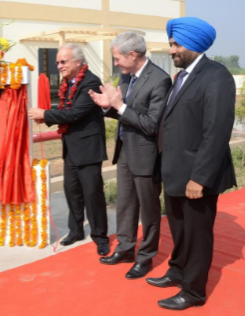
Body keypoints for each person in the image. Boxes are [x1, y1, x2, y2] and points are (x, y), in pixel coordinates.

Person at [145, 17, 236, 310]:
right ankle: (177, 271)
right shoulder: (181, 78)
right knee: (180, 231)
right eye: (171, 43)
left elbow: (217, 131)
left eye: (176, 44)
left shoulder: (217, 76)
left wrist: (200, 177)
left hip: (197, 177)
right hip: (174, 172)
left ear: (194, 44)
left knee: (197, 236)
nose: (171, 50)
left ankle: (194, 291)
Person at [89, 32, 172, 279]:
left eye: (117, 58)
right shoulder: (126, 76)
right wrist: (107, 106)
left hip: (146, 155)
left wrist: (119, 106)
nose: (115, 63)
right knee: (125, 205)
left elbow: (151, 125)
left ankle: (145, 257)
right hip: (125, 150)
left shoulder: (160, 80)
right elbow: (122, 112)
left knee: (149, 211)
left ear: (132, 55)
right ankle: (125, 249)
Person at [28, 44, 109, 255]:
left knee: (92, 194)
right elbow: (66, 112)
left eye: (63, 61)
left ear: (78, 62)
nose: (59, 66)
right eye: (57, 62)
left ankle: (100, 236)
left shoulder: (90, 81)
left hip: (88, 149)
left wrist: (44, 114)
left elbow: (74, 114)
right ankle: (75, 231)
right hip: (71, 147)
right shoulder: (68, 83)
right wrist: (46, 115)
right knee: (72, 192)